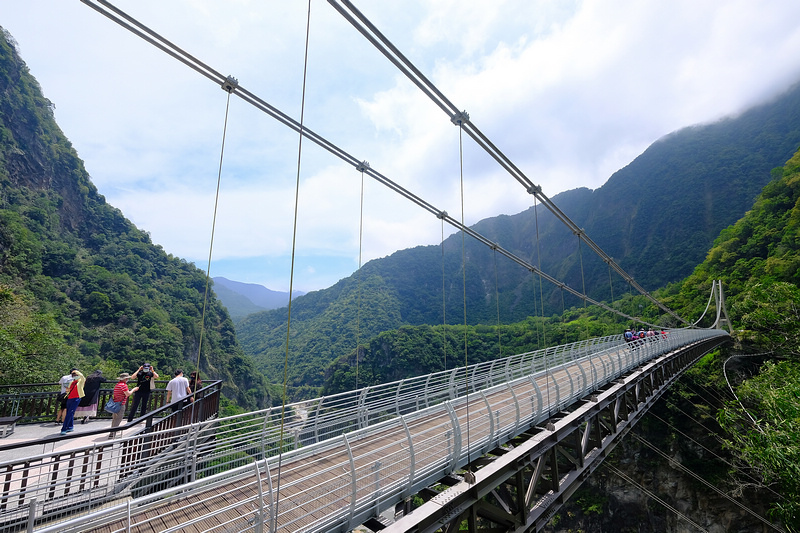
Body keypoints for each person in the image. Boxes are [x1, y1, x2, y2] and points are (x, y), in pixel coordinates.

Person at [109, 372, 138, 439]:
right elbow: (128, 394)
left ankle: (112, 431)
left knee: (114, 418)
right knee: (119, 418)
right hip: (120, 404)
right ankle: (113, 433)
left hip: (115, 403)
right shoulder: (123, 385)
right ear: (125, 379)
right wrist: (133, 389)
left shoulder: (117, 384)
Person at [60, 369, 85, 436]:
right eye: (73, 375)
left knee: (70, 412)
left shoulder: (81, 381)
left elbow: (82, 376)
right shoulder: (71, 382)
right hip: (69, 398)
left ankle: (64, 428)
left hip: (76, 398)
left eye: (76, 375)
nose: (74, 376)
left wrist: (76, 371)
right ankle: (70, 427)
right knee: (70, 412)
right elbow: (68, 390)